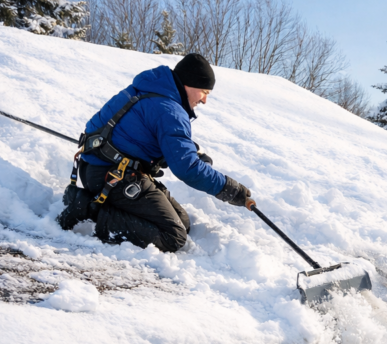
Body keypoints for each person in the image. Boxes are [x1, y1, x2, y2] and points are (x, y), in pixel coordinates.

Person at [56, 53, 252, 252]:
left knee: (183, 221)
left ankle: (105, 207)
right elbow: (187, 168)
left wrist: (188, 151)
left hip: (97, 165)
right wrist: (231, 190)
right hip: (111, 176)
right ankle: (88, 209)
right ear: (189, 84)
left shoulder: (148, 89)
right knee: (173, 236)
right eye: (204, 92)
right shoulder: (170, 111)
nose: (204, 100)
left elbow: (143, 132)